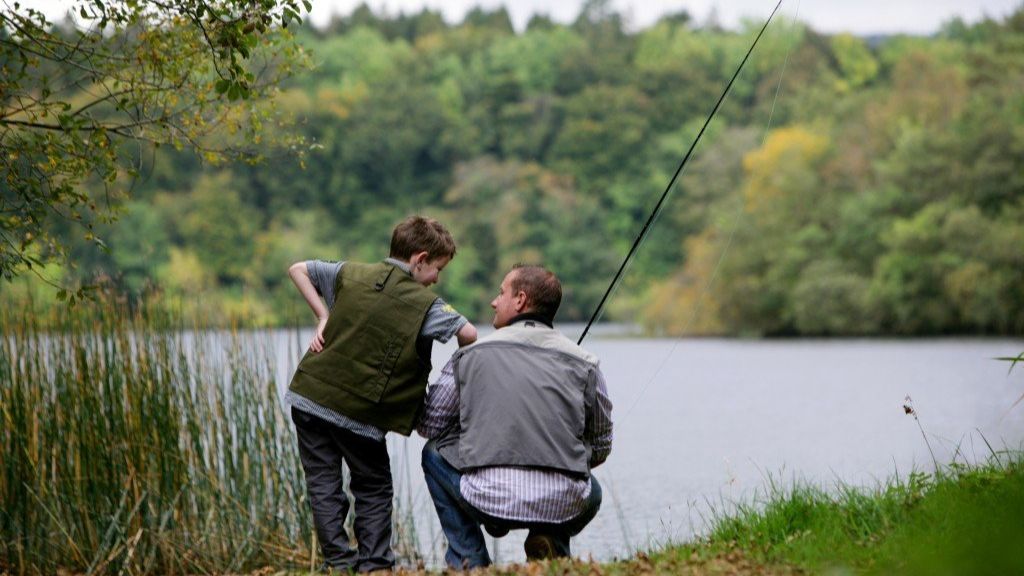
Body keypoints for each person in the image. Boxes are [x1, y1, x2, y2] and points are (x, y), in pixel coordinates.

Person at [286, 215, 477, 573]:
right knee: (372, 488)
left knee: (323, 484)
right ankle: (375, 567)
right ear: (419, 260)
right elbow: (468, 334)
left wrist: (322, 316)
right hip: (360, 413)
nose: (437, 279)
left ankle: (339, 564)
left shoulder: (349, 272)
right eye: (437, 269)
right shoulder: (427, 305)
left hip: (309, 396)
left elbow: (298, 269)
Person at [417, 264, 613, 568]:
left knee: (433, 454)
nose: (495, 302)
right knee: (591, 486)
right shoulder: (586, 362)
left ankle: (469, 561)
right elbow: (601, 445)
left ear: (520, 300)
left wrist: (473, 429)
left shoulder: (469, 355)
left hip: (485, 498)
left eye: (501, 293)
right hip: (564, 503)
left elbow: (430, 425)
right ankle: (550, 541)